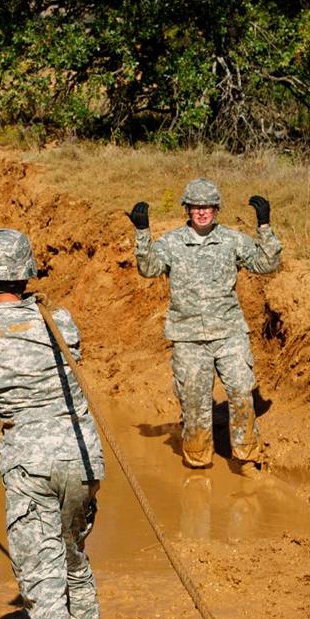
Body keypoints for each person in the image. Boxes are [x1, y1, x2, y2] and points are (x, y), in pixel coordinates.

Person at [0, 229, 105, 619]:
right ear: (27, 275)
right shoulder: (60, 320)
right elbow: (72, 356)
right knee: (73, 553)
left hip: (29, 463)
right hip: (80, 455)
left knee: (41, 573)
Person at [127, 178, 281, 477]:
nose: (202, 212)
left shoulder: (232, 240)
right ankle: (198, 463)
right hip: (189, 338)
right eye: (196, 207)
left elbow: (266, 264)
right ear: (187, 209)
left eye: (208, 206)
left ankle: (246, 457)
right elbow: (148, 269)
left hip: (229, 333)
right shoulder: (171, 243)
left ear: (216, 209)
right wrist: (143, 233)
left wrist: (264, 225)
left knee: (240, 390)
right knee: (195, 401)